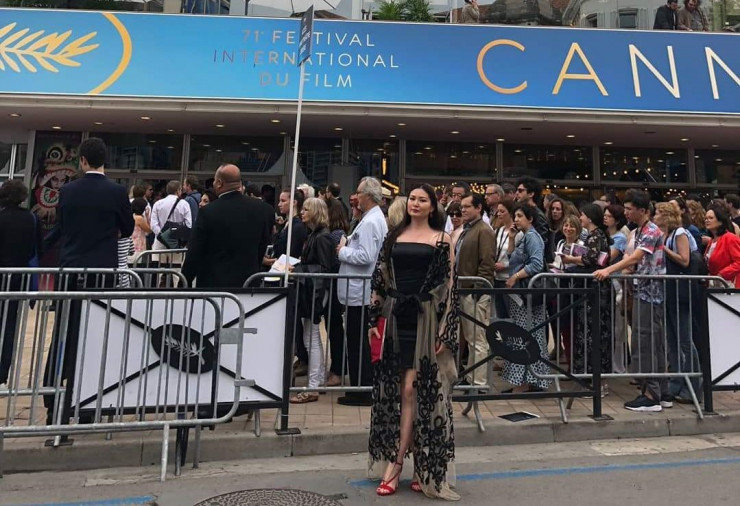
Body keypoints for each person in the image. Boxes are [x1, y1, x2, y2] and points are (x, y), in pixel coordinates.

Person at [368, 184, 459, 500]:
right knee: (399, 393)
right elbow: (380, 278)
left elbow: (450, 287)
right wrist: (373, 318)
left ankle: (397, 466)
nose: (415, 203)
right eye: (412, 199)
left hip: (426, 319)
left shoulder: (443, 239)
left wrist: (445, 330)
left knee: (413, 390)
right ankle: (416, 466)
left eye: (422, 200)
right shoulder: (394, 236)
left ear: (433, 206)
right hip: (396, 319)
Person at [595, 190, 668, 412]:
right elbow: (631, 259)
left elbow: (636, 257)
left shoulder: (651, 230)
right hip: (640, 291)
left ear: (643, 210)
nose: (626, 212)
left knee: (646, 342)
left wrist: (608, 270)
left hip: (650, 294)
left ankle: (652, 394)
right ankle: (657, 392)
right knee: (644, 341)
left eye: (629, 209)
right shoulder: (638, 231)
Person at [336, 177, 388, 406]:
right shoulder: (369, 219)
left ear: (368, 195)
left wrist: (342, 251)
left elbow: (366, 256)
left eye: (358, 192)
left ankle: (362, 388)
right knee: (357, 340)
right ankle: (360, 385)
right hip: (358, 291)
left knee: (358, 342)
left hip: (361, 292)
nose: (356, 197)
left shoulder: (371, 222)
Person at [181, 165, 271, 288]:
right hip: (248, 283)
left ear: (219, 183)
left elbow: (195, 252)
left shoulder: (208, 212)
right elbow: (263, 244)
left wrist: (184, 282)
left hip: (213, 285)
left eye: (214, 180)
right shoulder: (261, 209)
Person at [58, 138, 134, 268]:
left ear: (83, 160)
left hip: (71, 263)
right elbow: (127, 229)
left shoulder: (67, 190)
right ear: (104, 160)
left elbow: (62, 225)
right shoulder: (118, 191)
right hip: (103, 265)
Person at [654, 202, 702, 403]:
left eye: (658, 213)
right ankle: (677, 382)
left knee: (684, 340)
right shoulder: (665, 234)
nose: (655, 216)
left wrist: (664, 249)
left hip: (681, 293)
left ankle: (693, 386)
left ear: (666, 215)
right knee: (672, 341)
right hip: (670, 292)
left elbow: (685, 260)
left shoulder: (679, 233)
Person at [290, 198, 336, 404]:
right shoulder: (316, 235)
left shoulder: (321, 237)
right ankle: (315, 381)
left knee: (312, 336)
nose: (302, 212)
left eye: (306, 209)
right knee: (311, 336)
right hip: (312, 291)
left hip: (315, 292)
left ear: (316, 212)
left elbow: (324, 268)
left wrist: (298, 269)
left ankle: (314, 384)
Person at [560, 204, 612, 383]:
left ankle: (592, 373)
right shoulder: (596, 235)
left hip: (594, 290)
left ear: (589, 217)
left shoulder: (595, 236)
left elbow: (590, 259)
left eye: (582, 215)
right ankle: (588, 371)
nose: (580, 218)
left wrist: (570, 259)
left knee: (591, 330)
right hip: (593, 288)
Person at [502, 204, 550, 393]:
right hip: (520, 295)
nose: (516, 219)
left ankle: (528, 381)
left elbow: (536, 264)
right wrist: (511, 238)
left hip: (527, 295)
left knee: (526, 335)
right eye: (515, 215)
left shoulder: (532, 237)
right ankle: (524, 380)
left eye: (520, 216)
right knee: (523, 334)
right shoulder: (523, 236)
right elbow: (512, 258)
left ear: (530, 219)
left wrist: (515, 277)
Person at [0, 180, 40, 385]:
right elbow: (37, 248)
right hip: (17, 279)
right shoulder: (31, 219)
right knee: (9, 327)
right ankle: (2, 371)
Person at [456, 193, 496, 387]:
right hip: (465, 289)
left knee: (477, 337)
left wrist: (479, 290)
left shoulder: (484, 230)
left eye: (467, 206)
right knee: (471, 337)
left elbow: (487, 262)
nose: (462, 210)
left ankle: (478, 382)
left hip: (474, 291)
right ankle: (472, 377)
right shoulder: (468, 229)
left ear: (479, 208)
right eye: (462, 206)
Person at [325, 198, 349, 387]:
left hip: (334, 286)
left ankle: (339, 367)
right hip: (335, 286)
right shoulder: (337, 234)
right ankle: (338, 366)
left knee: (334, 328)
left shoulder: (334, 235)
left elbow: (333, 262)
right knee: (334, 328)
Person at [604, 204, 630, 374]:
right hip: (608, 283)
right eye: (604, 215)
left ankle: (618, 365)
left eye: (609, 216)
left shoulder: (619, 238)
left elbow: (608, 257)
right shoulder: (606, 235)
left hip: (616, 284)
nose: (605, 218)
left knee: (618, 328)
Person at [492, 200, 520, 319]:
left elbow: (519, 256)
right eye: (498, 211)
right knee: (500, 314)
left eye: (502, 211)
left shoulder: (518, 233)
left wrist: (506, 265)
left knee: (511, 314)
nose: (499, 214)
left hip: (509, 278)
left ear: (510, 213)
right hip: (497, 278)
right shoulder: (498, 230)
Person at [151, 180, 192, 257]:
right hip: (176, 243)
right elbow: (188, 225)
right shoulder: (184, 204)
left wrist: (162, 236)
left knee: (158, 264)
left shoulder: (157, 204)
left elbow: (153, 225)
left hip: (159, 243)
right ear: (178, 190)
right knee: (176, 264)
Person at [704, 203, 740, 287]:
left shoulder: (730, 238)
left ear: (720, 221)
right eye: (705, 218)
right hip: (715, 285)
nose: (707, 220)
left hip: (729, 285)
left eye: (711, 218)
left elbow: (739, 261)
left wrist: (721, 274)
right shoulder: (712, 241)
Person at [515, 177, 550, 248]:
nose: (517, 193)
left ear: (531, 194)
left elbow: (542, 241)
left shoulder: (538, 215)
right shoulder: (522, 211)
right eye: (517, 190)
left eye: (520, 191)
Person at [129, 197, 151, 263]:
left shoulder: (131, 216)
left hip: (131, 246)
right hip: (138, 247)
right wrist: (147, 216)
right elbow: (149, 230)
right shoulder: (139, 218)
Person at [545, 197, 567, 263]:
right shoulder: (546, 227)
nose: (554, 211)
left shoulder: (566, 229)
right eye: (552, 209)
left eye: (558, 209)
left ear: (563, 211)